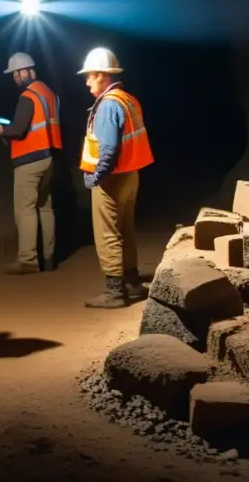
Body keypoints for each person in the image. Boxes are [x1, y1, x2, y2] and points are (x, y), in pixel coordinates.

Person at [77, 46, 154, 308]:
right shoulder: (128, 99)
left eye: (90, 76)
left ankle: (114, 292)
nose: (87, 81)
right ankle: (132, 281)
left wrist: (96, 177)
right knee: (126, 229)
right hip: (131, 174)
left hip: (112, 178)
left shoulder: (108, 105)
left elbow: (108, 149)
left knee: (107, 231)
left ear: (102, 75)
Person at [0, 51, 62, 274]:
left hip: (29, 160)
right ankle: (49, 258)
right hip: (49, 157)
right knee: (45, 208)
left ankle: (28, 260)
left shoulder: (27, 97)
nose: (14, 78)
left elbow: (20, 129)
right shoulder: (50, 94)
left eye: (15, 74)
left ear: (26, 71)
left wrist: (2, 131)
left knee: (25, 209)